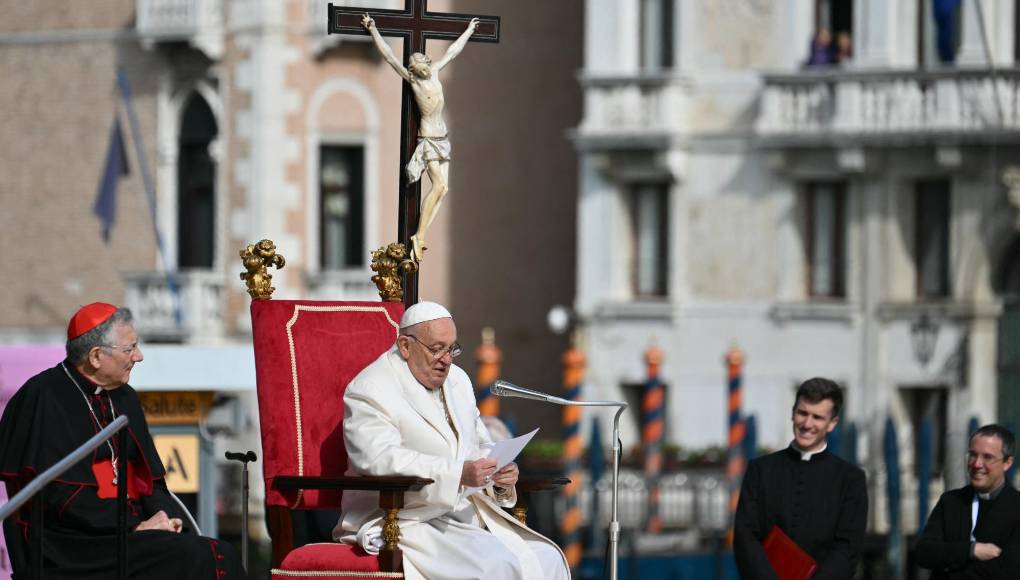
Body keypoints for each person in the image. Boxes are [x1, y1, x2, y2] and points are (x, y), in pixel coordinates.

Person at [0, 303, 246, 579]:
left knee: (214, 552)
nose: (138, 357)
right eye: (130, 349)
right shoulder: (43, 396)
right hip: (73, 547)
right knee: (208, 556)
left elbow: (151, 483)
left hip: (127, 534)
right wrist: (135, 526)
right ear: (96, 356)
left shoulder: (124, 397)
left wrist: (165, 519)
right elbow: (62, 497)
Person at [333, 301, 570, 580]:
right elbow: (378, 459)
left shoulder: (458, 380)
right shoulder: (371, 388)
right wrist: (457, 474)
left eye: (452, 349)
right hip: (406, 519)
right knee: (496, 566)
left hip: (461, 516)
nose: (446, 360)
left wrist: (498, 474)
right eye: (437, 349)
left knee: (548, 559)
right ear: (406, 346)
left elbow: (479, 445)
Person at [362, 14, 478, 263]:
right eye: (418, 67)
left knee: (443, 189)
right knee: (438, 184)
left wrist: (468, 31)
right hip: (428, 139)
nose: (423, 69)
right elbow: (389, 57)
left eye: (423, 64)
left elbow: (453, 52)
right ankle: (420, 235)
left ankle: (420, 234)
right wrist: (373, 30)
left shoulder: (434, 72)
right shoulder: (413, 80)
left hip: (443, 137)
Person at [734, 378, 867, 579]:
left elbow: (848, 547)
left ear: (832, 424)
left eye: (817, 417)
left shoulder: (851, 479)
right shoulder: (760, 470)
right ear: (793, 413)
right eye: (802, 413)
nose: (807, 424)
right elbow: (746, 536)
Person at [915, 424, 1020, 579]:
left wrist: (948, 565)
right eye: (972, 455)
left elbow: (1008, 570)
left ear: (1007, 463)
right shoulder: (951, 501)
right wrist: (971, 550)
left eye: (987, 457)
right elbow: (924, 553)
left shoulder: (1016, 507)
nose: (977, 464)